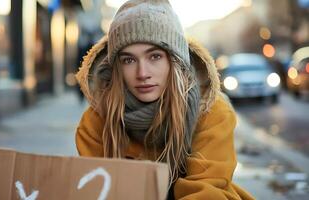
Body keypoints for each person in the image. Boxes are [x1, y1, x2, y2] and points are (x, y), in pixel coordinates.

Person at [75, 0, 254, 199]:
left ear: (175, 61)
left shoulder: (211, 111)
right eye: (129, 60)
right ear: (117, 68)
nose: (142, 73)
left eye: (155, 57)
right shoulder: (95, 122)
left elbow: (207, 191)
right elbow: (97, 190)